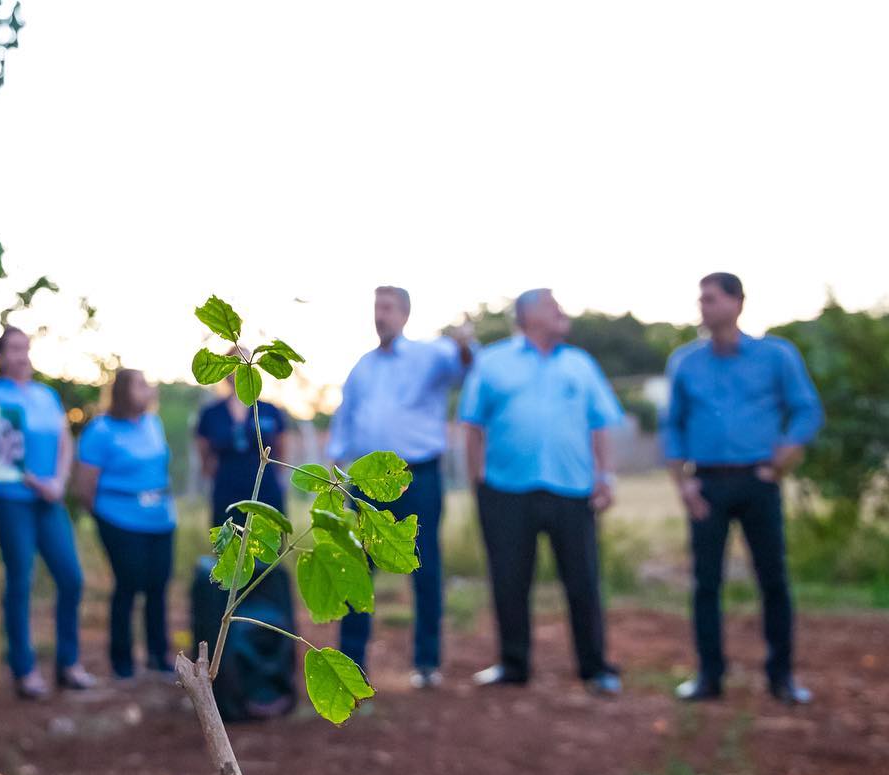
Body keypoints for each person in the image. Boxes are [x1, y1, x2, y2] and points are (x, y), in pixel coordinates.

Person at [661, 273, 823, 705]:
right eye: (701, 299)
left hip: (758, 481)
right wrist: (683, 484)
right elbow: (672, 425)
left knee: (773, 580)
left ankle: (781, 677)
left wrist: (786, 455)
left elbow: (806, 409)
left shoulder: (776, 356)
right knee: (705, 583)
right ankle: (709, 676)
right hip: (707, 484)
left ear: (737, 303)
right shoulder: (685, 362)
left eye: (711, 298)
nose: (703, 306)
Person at [459, 288, 623, 695]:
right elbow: (473, 425)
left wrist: (606, 477)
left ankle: (594, 667)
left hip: (573, 490)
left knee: (583, 581)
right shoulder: (492, 362)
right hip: (506, 491)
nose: (562, 312)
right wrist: (479, 484)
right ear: (528, 316)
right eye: (553, 306)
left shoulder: (580, 364)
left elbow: (600, 424)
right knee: (509, 581)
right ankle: (513, 665)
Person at [325, 285, 475, 685]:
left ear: (405, 314)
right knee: (357, 568)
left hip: (417, 478)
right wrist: (334, 468)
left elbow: (464, 366)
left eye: (388, 308)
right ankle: (352, 664)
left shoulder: (430, 355)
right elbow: (345, 419)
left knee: (424, 567)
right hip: (365, 483)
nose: (381, 315)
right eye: (377, 307)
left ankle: (427, 664)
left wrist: (464, 343)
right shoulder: (362, 367)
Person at [0, 327, 97, 697]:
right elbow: (1, 454)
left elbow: (65, 441)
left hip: (51, 500)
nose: (22, 356)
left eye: (26, 348)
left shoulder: (46, 395)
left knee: (71, 577)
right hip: (13, 499)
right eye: (14, 349)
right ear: (0, 356)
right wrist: (37, 482)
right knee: (20, 580)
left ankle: (69, 663)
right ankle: (24, 669)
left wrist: (59, 481)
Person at [75, 369, 178, 679]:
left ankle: (158, 655)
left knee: (158, 586)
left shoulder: (153, 424)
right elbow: (84, 486)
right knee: (128, 584)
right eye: (141, 384)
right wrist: (105, 516)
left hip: (160, 519)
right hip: (119, 518)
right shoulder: (101, 430)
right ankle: (122, 661)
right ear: (123, 391)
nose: (148, 389)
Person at [195, 364, 288, 527]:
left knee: (269, 538)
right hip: (227, 493)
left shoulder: (269, 410)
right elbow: (204, 453)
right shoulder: (212, 413)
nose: (244, 368)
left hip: (265, 491)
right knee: (228, 539)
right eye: (238, 364)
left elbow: (282, 450)